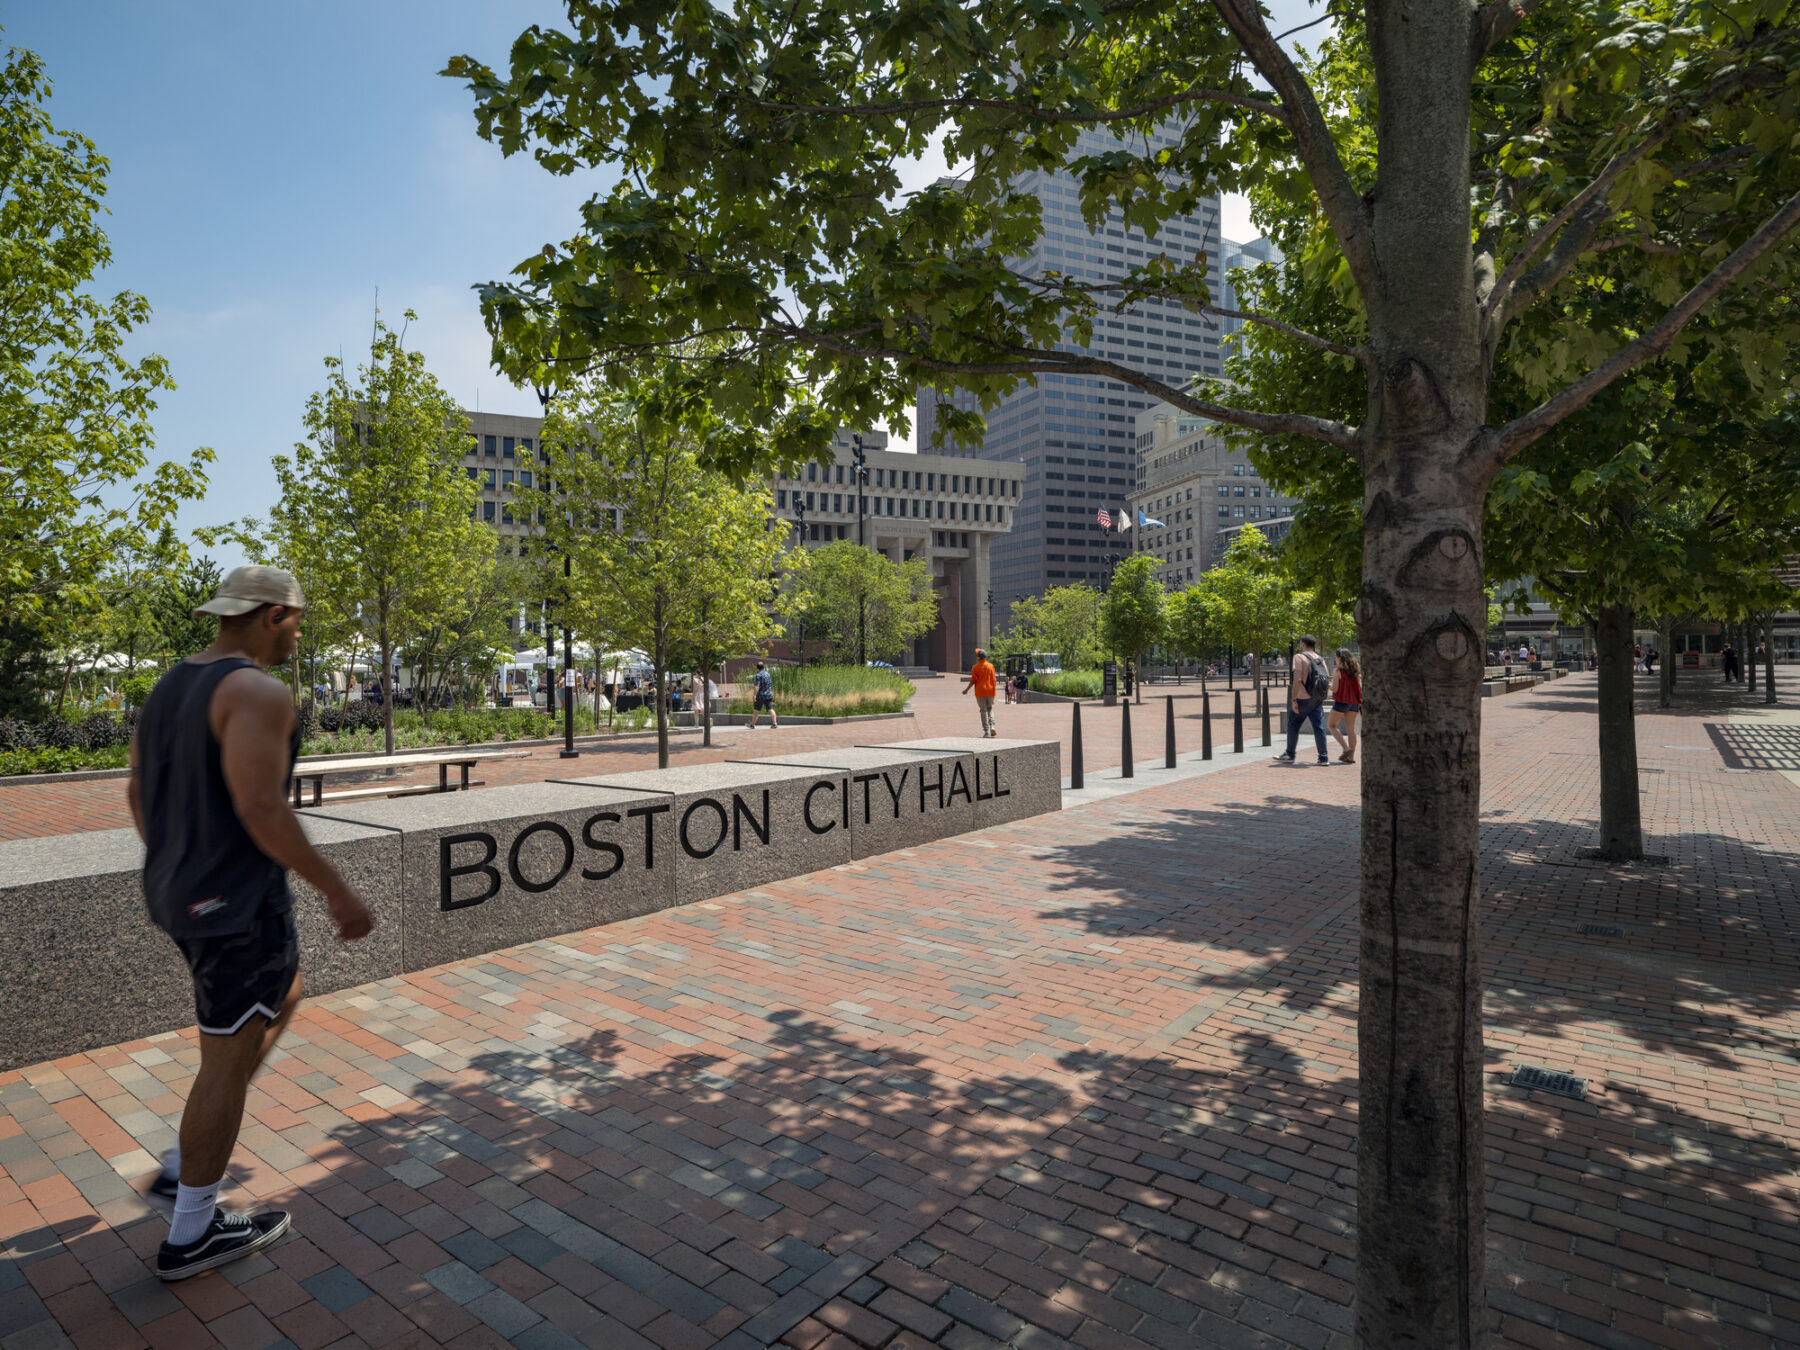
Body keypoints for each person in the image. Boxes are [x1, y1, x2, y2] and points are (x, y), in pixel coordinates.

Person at [128, 566, 374, 1282]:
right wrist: (338, 893)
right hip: (234, 905)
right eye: (297, 620)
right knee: (227, 1056)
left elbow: (138, 792)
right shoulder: (259, 691)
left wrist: (180, 865)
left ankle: (185, 1168)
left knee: (282, 995)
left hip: (179, 894)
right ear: (271, 615)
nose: (299, 633)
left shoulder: (171, 685)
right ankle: (191, 1231)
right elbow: (262, 808)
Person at [1272, 635, 1331, 765]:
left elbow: (1297, 679)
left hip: (1303, 697)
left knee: (1293, 724)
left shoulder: (1299, 657)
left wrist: (1294, 699)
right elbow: (1326, 677)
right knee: (1319, 727)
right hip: (1317, 698)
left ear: (1303, 644)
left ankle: (1290, 754)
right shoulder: (1321, 659)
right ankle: (1323, 757)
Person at [1327, 649, 1362, 765]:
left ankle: (1346, 748)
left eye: (1336, 657)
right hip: (1354, 703)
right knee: (1351, 730)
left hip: (1342, 702)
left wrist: (1328, 685)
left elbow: (1335, 689)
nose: (1335, 659)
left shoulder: (1338, 671)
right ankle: (1351, 757)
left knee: (1331, 725)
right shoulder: (1356, 670)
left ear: (1340, 658)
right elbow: (1359, 687)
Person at [962, 647, 999, 737]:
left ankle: (986, 731)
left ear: (978, 657)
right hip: (990, 691)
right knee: (990, 708)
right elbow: (994, 680)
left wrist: (966, 690)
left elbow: (973, 680)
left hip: (980, 692)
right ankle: (992, 726)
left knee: (983, 710)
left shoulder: (975, 667)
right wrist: (993, 689)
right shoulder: (990, 666)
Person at [748, 660, 778, 729]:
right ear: (763, 667)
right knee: (770, 709)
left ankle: (752, 724)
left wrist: (754, 695)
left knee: (756, 710)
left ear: (757, 668)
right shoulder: (768, 674)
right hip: (768, 694)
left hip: (760, 695)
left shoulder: (758, 675)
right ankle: (774, 723)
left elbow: (757, 686)